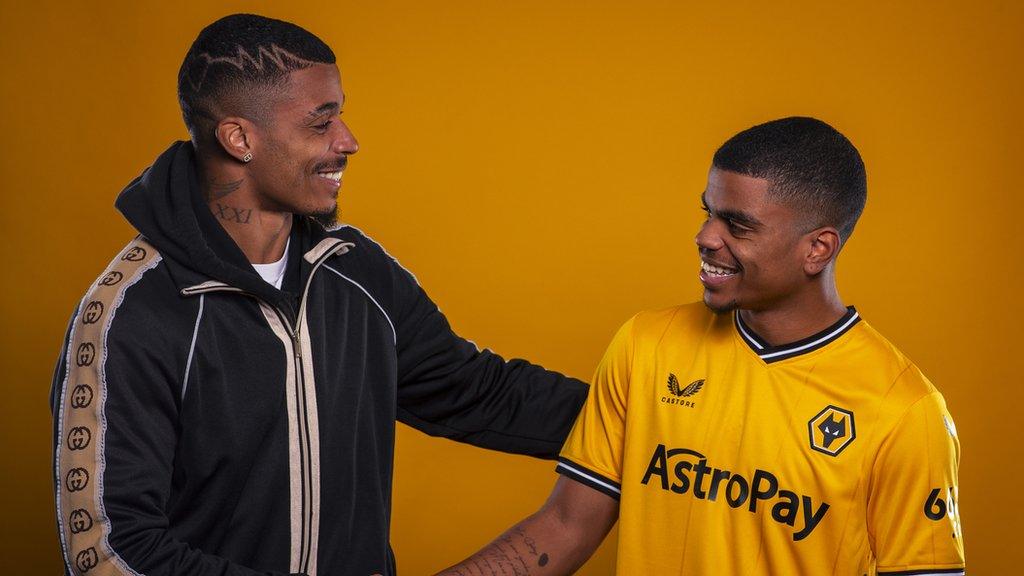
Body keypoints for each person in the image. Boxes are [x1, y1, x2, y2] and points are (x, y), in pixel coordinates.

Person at [50, 14, 587, 576]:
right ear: (239, 138)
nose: (348, 141)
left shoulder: (356, 271)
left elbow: (477, 392)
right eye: (320, 122)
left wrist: (651, 420)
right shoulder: (132, 312)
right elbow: (112, 551)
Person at [438, 117, 965, 575]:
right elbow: (563, 527)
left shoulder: (904, 411)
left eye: (737, 224)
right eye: (709, 211)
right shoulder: (648, 343)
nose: (706, 236)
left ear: (817, 248)